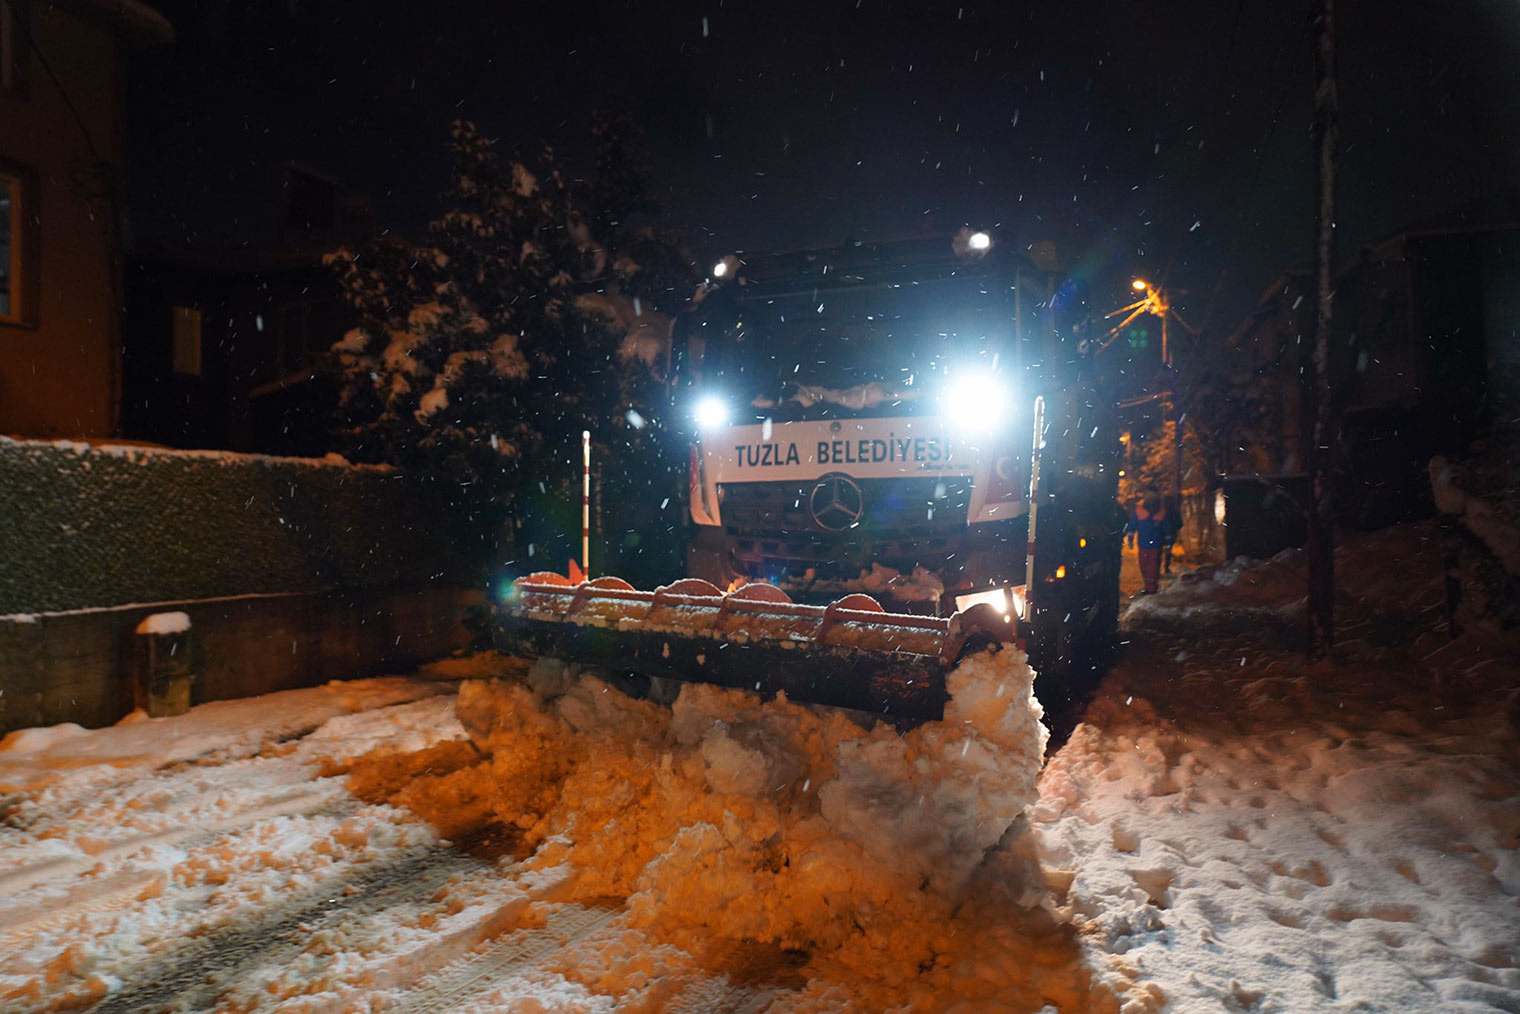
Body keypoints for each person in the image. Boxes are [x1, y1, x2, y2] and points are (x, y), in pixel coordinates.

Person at [1126, 493, 1170, 594]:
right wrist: (1130, 539)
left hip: (1155, 545)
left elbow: (1167, 530)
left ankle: (1152, 589)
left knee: (1153, 567)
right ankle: (1148, 587)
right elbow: (1132, 527)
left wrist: (1169, 544)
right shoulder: (1140, 512)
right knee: (1144, 566)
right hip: (1144, 545)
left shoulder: (1161, 512)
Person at [1160, 494, 1183, 574]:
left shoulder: (1162, 512)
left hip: (1161, 536)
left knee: (1160, 551)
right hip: (1170, 536)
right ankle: (1166, 567)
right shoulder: (1174, 512)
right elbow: (1180, 524)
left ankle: (1159, 568)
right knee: (1168, 552)